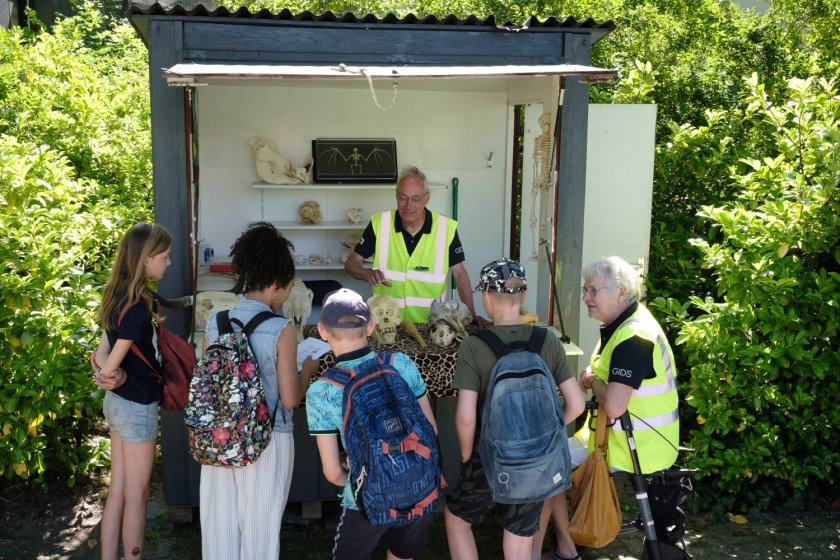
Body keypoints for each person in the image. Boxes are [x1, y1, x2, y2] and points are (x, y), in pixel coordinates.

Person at [535, 256, 680, 560]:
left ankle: (550, 551)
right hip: (626, 440)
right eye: (585, 290)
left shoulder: (633, 336)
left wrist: (589, 380)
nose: (586, 298)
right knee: (550, 461)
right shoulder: (625, 324)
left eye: (593, 291)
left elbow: (614, 405)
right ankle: (566, 546)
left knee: (544, 465)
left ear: (621, 292)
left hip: (633, 447)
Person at [444, 258, 585, 560]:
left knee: (457, 519)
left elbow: (467, 416)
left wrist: (469, 455)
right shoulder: (547, 340)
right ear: (522, 297)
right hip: (537, 459)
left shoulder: (473, 345)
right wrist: (544, 434)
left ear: (487, 297)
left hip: (490, 454)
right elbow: (576, 404)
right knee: (519, 537)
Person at [198, 222, 318, 560]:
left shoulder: (216, 322)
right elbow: (291, 399)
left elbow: (208, 382)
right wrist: (307, 370)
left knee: (220, 534)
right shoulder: (281, 329)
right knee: (259, 538)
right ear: (279, 285)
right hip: (267, 440)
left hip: (219, 439)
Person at [305, 288, 438, 560]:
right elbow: (431, 430)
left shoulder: (323, 391)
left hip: (364, 499)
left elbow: (332, 472)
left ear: (322, 331)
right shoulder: (401, 363)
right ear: (370, 326)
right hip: (417, 485)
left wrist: (363, 481)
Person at [91, 223, 172, 560]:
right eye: (164, 257)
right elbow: (109, 365)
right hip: (137, 407)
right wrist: (110, 375)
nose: (167, 263)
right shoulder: (138, 306)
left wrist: (107, 375)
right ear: (145, 259)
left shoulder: (117, 297)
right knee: (137, 497)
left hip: (117, 406)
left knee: (118, 493)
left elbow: (99, 356)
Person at [344, 165, 487, 326]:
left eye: (415, 199)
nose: (408, 205)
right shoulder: (380, 224)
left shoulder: (445, 228)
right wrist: (366, 274)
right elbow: (351, 263)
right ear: (396, 196)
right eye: (403, 198)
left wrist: (471, 314)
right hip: (386, 325)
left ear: (427, 198)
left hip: (432, 325)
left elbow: (460, 274)